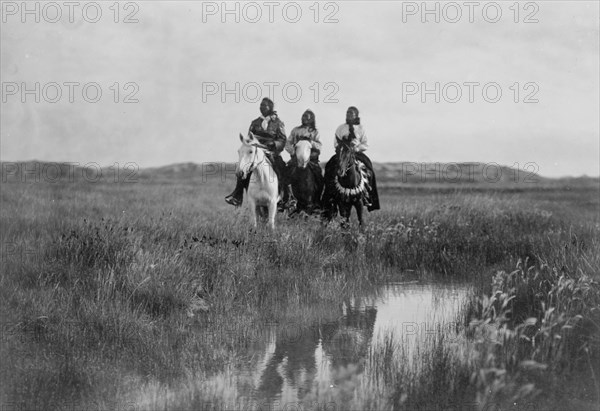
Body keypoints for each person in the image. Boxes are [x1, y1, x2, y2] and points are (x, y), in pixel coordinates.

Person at [225, 97, 288, 208]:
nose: (261, 107)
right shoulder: (254, 123)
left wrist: (274, 144)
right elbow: (249, 139)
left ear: (271, 107)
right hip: (256, 153)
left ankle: (286, 198)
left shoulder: (278, 123)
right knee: (243, 168)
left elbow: (282, 140)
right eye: (260, 105)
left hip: (271, 153)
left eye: (264, 105)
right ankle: (237, 195)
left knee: (281, 169)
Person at [322, 106, 380, 211]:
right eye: (347, 113)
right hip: (343, 153)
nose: (348, 115)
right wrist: (341, 148)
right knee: (330, 167)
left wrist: (357, 147)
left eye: (351, 114)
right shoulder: (340, 128)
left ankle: (368, 195)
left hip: (356, 153)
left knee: (369, 169)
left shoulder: (361, 128)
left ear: (356, 116)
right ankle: (329, 196)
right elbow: (336, 142)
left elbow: (366, 144)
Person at [284, 109, 324, 205]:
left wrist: (311, 142)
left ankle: (318, 200)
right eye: (303, 116)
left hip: (311, 159)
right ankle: (287, 198)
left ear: (312, 119)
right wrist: (293, 152)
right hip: (295, 159)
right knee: (285, 174)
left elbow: (320, 146)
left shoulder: (315, 132)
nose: (304, 118)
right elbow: (288, 143)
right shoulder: (295, 130)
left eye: (307, 117)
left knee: (319, 176)